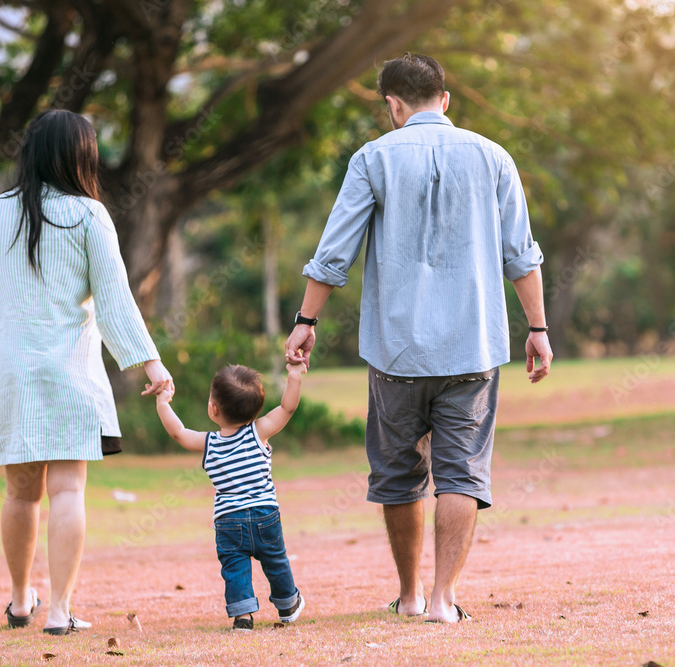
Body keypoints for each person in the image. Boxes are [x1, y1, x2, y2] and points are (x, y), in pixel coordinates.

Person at [284, 53, 553, 623]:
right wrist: (538, 328)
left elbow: (335, 253)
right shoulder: (493, 157)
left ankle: (407, 595)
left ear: (393, 105)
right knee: (461, 472)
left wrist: (306, 321)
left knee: (399, 473)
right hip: (472, 348)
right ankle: (442, 600)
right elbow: (520, 257)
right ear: (445, 100)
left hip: (395, 351)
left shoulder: (371, 159)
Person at [0, 109, 173, 635]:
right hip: (73, 376)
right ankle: (59, 611)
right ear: (81, 156)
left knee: (19, 494)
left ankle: (18, 601)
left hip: (12, 375)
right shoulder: (89, 215)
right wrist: (151, 361)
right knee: (69, 493)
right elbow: (117, 302)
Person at [153, 363, 306, 629]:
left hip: (228, 521)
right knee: (276, 560)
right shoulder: (260, 432)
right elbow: (287, 408)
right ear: (256, 409)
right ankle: (287, 605)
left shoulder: (208, 443)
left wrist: (163, 402)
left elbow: (178, 432)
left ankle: (243, 616)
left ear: (213, 409)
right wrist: (294, 375)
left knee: (235, 569)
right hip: (265, 515)